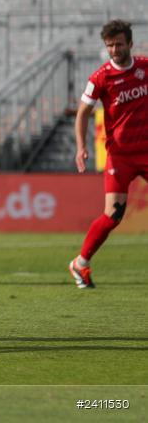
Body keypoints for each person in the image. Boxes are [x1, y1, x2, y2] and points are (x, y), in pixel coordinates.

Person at [72, 19, 147, 289]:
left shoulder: (145, 68)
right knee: (113, 214)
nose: (114, 49)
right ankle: (80, 263)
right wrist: (81, 147)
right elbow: (82, 114)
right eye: (110, 45)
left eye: (118, 44)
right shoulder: (100, 77)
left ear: (130, 43)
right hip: (121, 156)